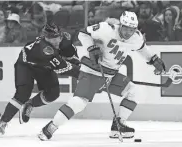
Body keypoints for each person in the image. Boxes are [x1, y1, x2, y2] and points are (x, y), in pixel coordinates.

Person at [38, 11, 166, 141]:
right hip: (92, 72)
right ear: (120, 25)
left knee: (134, 91)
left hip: (110, 75)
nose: (128, 32)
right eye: (125, 28)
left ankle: (118, 125)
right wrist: (92, 48)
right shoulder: (106, 29)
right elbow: (83, 33)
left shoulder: (136, 37)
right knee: (79, 103)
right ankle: (51, 127)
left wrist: (154, 59)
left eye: (131, 29)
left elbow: (142, 48)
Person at [0, 22, 80, 138]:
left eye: (58, 36)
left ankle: (30, 104)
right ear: (45, 37)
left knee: (53, 93)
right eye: (51, 38)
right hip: (25, 65)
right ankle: (1, 124)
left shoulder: (64, 40)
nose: (56, 40)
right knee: (22, 94)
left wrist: (80, 65)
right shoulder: (45, 49)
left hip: (44, 66)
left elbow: (73, 58)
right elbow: (64, 68)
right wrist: (85, 74)